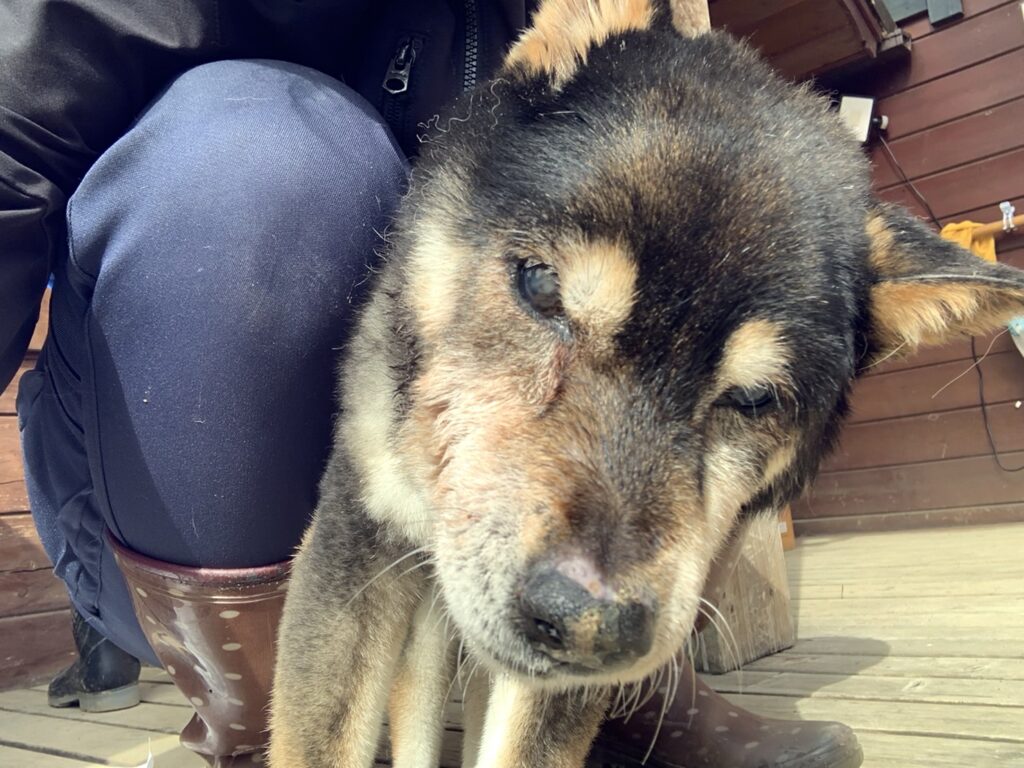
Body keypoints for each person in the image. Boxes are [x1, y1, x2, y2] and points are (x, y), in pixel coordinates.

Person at [1, 2, 863, 766]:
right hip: (147, 480)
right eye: (545, 289)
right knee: (262, 160)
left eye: (753, 399)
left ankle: (607, 699)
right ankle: (258, 723)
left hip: (447, 356)